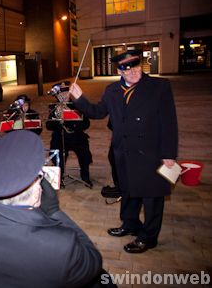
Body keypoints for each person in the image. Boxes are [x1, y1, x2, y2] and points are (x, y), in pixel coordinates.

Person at [0, 130, 105, 287]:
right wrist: (54, 211)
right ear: (37, 194)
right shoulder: (62, 246)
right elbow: (93, 263)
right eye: (39, 177)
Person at [69, 49, 178, 253]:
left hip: (151, 152)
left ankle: (148, 237)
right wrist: (79, 98)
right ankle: (130, 225)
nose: (132, 73)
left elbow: (169, 122)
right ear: (119, 71)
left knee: (152, 196)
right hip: (124, 151)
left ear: (140, 64)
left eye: (135, 67)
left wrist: (169, 154)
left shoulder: (159, 87)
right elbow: (98, 112)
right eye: (125, 70)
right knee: (128, 191)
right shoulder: (112, 90)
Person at [46, 102, 93, 187]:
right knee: (56, 152)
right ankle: (59, 176)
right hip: (60, 137)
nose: (63, 96)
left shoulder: (77, 105)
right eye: (61, 94)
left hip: (76, 136)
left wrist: (72, 122)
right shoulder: (54, 107)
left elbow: (86, 124)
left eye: (65, 93)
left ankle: (85, 176)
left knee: (84, 151)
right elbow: (48, 125)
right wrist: (58, 121)